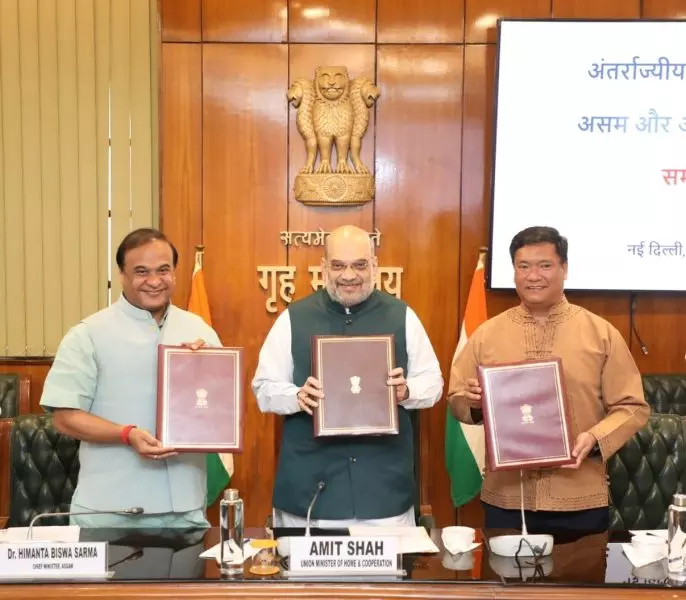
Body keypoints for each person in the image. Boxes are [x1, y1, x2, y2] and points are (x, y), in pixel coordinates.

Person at [448, 226, 649, 532]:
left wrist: (595, 438)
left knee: (582, 565)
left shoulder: (600, 333)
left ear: (564, 268)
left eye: (545, 265)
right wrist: (474, 404)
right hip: (507, 499)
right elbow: (457, 399)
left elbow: (632, 407)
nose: (533, 276)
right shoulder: (487, 335)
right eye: (523, 266)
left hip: (578, 496)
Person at [252, 225, 443, 528]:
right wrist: (297, 396)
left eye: (359, 265)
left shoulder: (402, 315)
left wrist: (407, 391)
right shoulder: (293, 318)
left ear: (375, 265)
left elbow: (433, 382)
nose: (349, 275)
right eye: (338, 265)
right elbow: (263, 388)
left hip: (384, 496)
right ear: (323, 267)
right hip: (311, 497)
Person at [40, 228, 221, 528]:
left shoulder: (200, 331)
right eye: (141, 271)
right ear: (122, 275)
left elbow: (219, 411)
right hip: (109, 511)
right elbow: (64, 417)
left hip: (185, 511)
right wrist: (126, 434)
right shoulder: (88, 334)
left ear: (174, 273)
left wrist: (207, 369)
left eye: (163, 270)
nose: (154, 281)